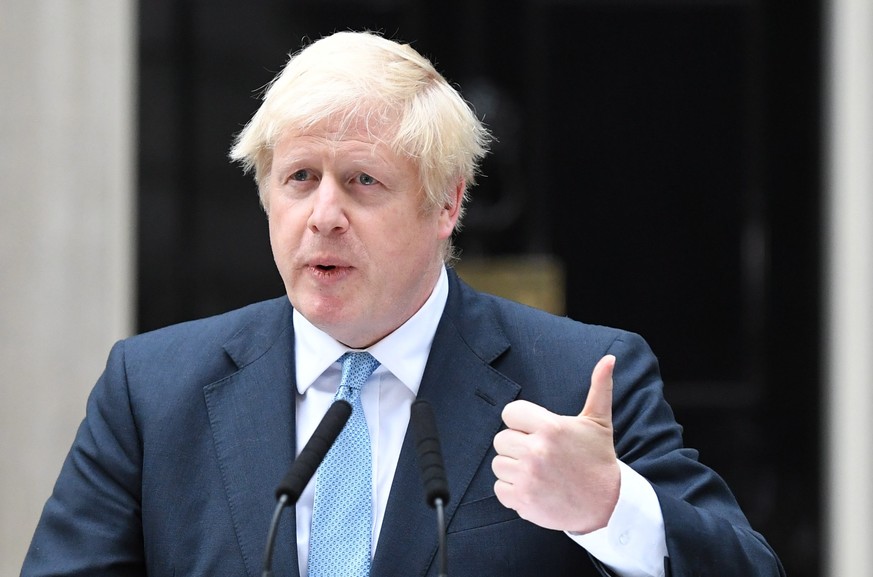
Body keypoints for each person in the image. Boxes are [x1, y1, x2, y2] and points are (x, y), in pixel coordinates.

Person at [21, 30, 784, 577]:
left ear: (447, 205)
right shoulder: (153, 388)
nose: (322, 214)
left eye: (361, 181)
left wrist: (611, 505)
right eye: (297, 179)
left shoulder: (572, 376)